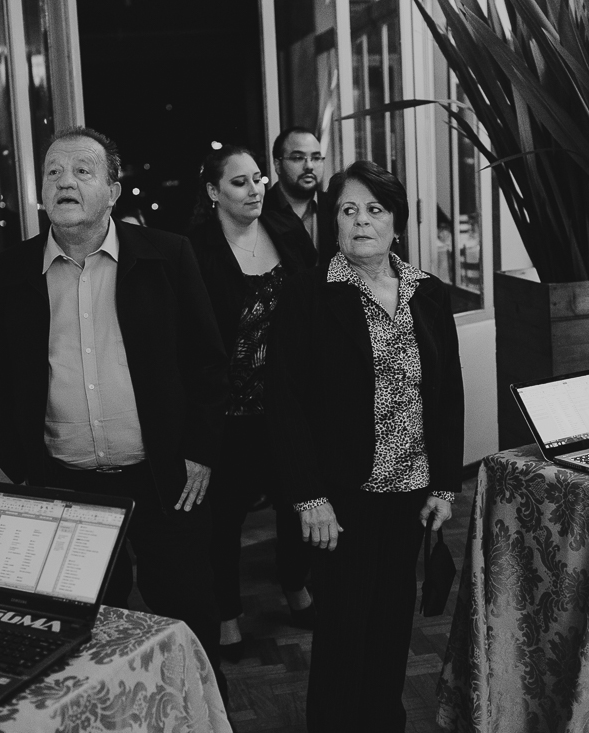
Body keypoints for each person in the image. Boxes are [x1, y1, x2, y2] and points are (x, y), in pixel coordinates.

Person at [0, 126, 231, 698]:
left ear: (112, 191)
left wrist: (199, 452)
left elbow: (209, 364)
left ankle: (205, 717)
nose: (65, 181)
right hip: (65, 486)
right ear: (41, 192)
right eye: (53, 171)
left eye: (82, 171)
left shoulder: (167, 255)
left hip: (166, 479)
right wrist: (19, 463)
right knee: (82, 636)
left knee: (189, 618)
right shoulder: (7, 273)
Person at [267, 160, 465, 731]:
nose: (360, 221)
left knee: (392, 623)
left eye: (374, 210)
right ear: (333, 222)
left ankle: (383, 721)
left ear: (396, 223)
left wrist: (445, 484)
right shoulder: (307, 293)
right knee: (342, 627)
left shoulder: (428, 292)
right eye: (347, 210)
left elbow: (446, 393)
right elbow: (285, 404)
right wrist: (309, 497)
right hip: (340, 497)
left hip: (409, 490)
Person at [188, 145, 319, 659]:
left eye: (258, 178)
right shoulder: (195, 250)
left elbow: (314, 302)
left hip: (287, 404)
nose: (254, 189)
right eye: (239, 182)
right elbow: (191, 340)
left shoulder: (287, 231)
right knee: (223, 520)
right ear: (213, 191)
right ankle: (226, 614)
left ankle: (296, 585)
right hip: (228, 412)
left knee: (296, 501)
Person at [266, 126, 338, 262]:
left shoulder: (335, 207)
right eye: (298, 158)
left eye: (316, 158)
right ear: (278, 165)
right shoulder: (261, 211)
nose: (309, 166)